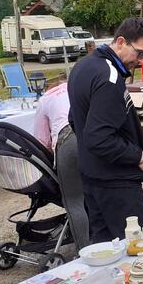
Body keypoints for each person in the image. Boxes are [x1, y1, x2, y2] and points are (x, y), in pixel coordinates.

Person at [67, 17, 143, 242]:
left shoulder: (83, 66)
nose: (142, 62)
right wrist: (137, 155)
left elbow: (74, 119)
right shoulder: (108, 78)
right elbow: (98, 137)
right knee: (136, 251)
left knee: (105, 251)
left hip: (93, 179)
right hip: (117, 183)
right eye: (140, 54)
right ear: (120, 42)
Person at [33, 74, 90, 250]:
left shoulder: (46, 99)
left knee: (74, 201)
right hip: (93, 135)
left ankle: (85, 250)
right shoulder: (79, 87)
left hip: (68, 139)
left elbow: (41, 141)